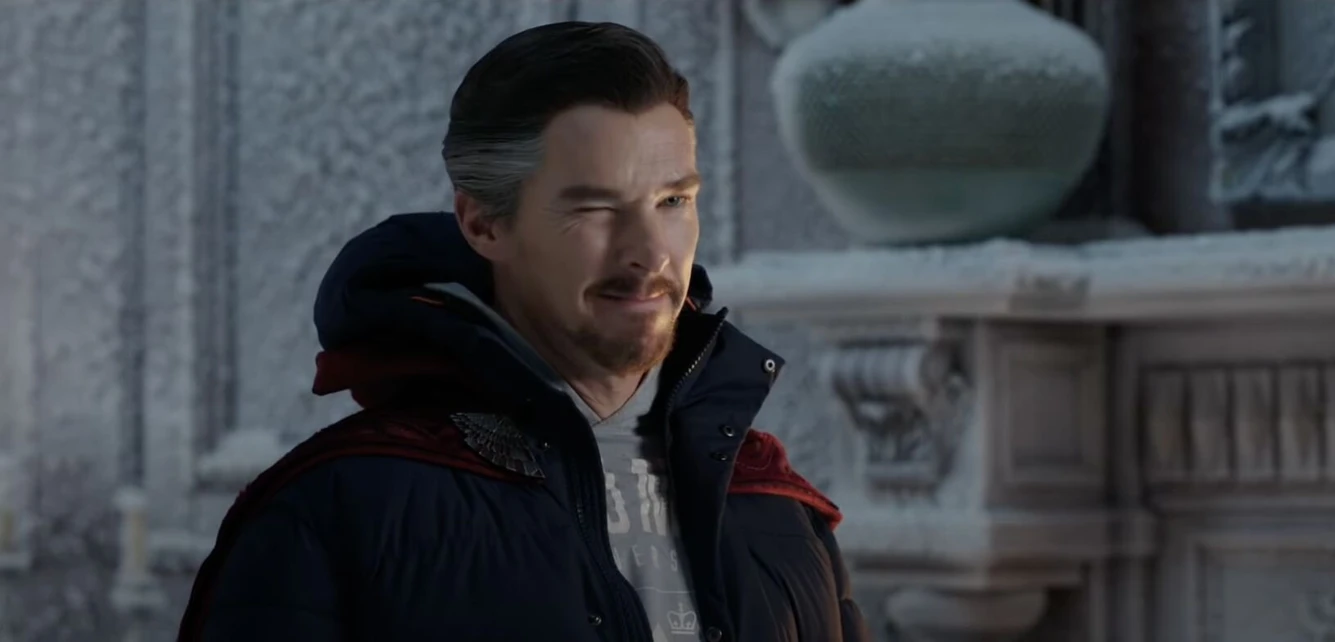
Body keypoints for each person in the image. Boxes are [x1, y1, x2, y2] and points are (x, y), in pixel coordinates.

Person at [177, 21, 869, 642]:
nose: (649, 253)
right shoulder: (336, 509)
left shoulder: (775, 506)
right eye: (595, 208)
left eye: (672, 201)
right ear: (484, 224)